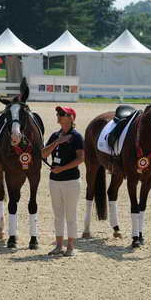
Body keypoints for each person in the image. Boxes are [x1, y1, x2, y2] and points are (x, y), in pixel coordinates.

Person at [41, 106, 84, 257]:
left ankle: (70, 246)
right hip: (54, 181)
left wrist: (63, 168)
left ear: (71, 118)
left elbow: (81, 158)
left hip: (71, 181)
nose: (58, 116)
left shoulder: (77, 137)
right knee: (58, 214)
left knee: (70, 214)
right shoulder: (55, 135)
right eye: (58, 113)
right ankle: (58, 245)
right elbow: (43, 153)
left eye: (62, 114)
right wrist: (57, 142)